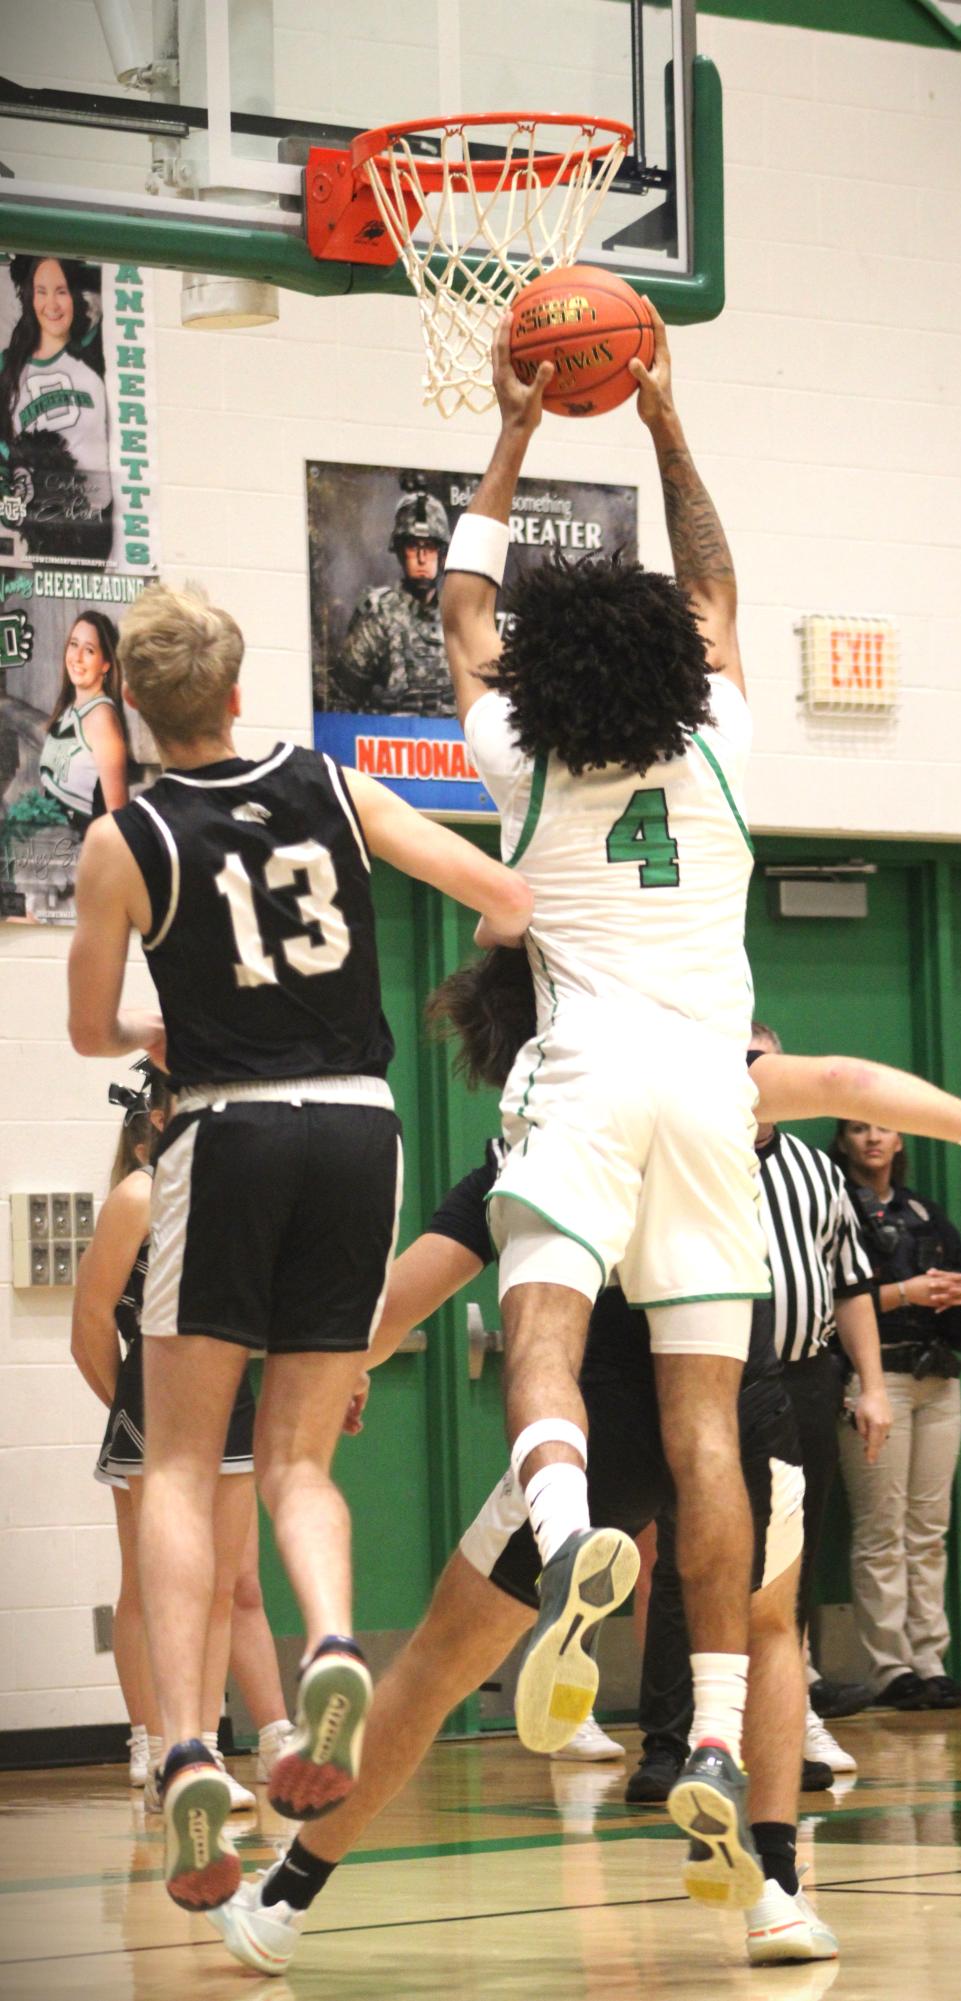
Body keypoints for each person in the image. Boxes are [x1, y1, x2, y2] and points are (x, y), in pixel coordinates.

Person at [205, 949, 961, 1979]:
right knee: (768, 1636)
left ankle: (286, 1898)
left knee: (442, 1661)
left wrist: (346, 1368)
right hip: (744, 1395)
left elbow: (415, 1283)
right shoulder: (705, 1083)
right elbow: (849, 1081)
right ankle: (775, 1893)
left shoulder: (541, 1137)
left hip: (606, 1411)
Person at [66, 579, 532, 1912]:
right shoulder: (335, 784)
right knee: (299, 1457)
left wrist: (161, 1030)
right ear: (233, 686)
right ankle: (334, 1639)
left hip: (231, 1129)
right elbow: (498, 895)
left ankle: (194, 1743)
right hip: (361, 1126)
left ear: (138, 711)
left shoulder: (128, 835)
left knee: (174, 1462)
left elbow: (93, 1029)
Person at [442, 307, 774, 1906]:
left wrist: (514, 433)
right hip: (719, 1090)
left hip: (584, 1075)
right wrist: (664, 425)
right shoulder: (719, 730)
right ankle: (710, 1732)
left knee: (547, 1345)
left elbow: (462, 610)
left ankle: (570, 1531)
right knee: (708, 1427)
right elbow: (712, 584)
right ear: (682, 661)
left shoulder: (520, 748)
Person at [627, 1019, 889, 1804]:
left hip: (805, 1376)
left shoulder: (817, 1169)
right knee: (686, 1558)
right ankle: (669, 1743)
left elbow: (850, 1281)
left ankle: (783, 1727)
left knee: (788, 1567)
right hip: (697, 1375)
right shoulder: (681, 1156)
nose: (753, 1079)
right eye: (738, 1065)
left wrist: (870, 1383)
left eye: (763, 1066)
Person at [72, 1061, 293, 1805]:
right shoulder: (137, 1196)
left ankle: (201, 1746)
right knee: (151, 1581)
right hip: (153, 1400)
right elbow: (89, 1325)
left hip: (227, 1397)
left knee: (224, 1583)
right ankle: (155, 1740)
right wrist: (128, 1406)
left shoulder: (230, 1194)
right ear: (160, 1122)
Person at [833, 1120, 961, 1711]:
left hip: (937, 1377)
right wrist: (909, 1293)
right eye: (858, 1129)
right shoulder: (835, 1202)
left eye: (884, 1129)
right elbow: (835, 1298)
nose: (873, 1138)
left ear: (901, 1141)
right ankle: (889, 1667)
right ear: (843, 1141)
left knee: (928, 1528)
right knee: (881, 1527)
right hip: (878, 1376)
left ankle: (930, 1658)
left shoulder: (924, 1210)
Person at [0, 254, 113, 564]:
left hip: (98, 524)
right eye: (41, 291)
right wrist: (11, 490)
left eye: (61, 291)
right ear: (28, 297)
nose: (52, 303)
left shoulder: (96, 352)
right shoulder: (8, 368)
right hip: (43, 530)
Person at [330, 492, 451, 715]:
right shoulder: (379, 614)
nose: (422, 558)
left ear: (442, 553)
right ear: (400, 551)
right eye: (414, 547)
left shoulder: (458, 619)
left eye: (430, 547)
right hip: (390, 744)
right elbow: (341, 700)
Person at [39, 610, 129, 829]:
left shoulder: (102, 719)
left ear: (105, 664)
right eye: (73, 644)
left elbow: (118, 818)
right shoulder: (69, 708)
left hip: (84, 852)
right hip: (56, 850)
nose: (77, 657)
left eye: (89, 650)